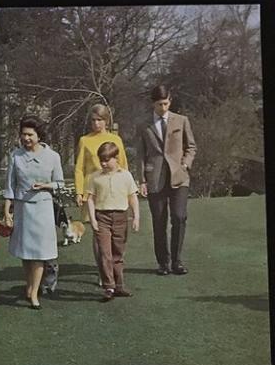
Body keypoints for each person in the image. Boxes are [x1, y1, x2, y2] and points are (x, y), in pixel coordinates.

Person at [3, 116, 65, 310]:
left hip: (43, 208)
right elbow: (9, 186)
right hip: (23, 209)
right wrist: (7, 211)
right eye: (23, 134)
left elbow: (60, 184)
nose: (26, 138)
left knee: (39, 253)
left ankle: (34, 292)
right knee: (26, 253)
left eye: (30, 134)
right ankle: (30, 286)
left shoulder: (53, 157)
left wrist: (46, 185)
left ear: (39, 135)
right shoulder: (16, 156)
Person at [136, 85, 197, 275]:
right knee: (159, 221)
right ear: (152, 104)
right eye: (159, 104)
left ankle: (177, 262)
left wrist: (185, 164)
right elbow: (140, 155)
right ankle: (163, 263)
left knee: (179, 217)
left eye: (165, 103)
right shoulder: (143, 125)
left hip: (179, 177)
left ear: (170, 100)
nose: (163, 108)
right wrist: (141, 180)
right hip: (155, 178)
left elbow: (191, 146)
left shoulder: (181, 120)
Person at [73, 104, 129, 287]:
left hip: (113, 190)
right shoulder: (84, 140)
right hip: (93, 190)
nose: (96, 123)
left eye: (100, 120)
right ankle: (103, 271)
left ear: (106, 121)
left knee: (115, 234)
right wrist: (79, 191)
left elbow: (123, 166)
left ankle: (114, 268)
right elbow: (79, 168)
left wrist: (127, 191)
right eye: (93, 120)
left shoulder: (115, 140)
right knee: (99, 233)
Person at [86, 142, 141, 301]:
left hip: (120, 217)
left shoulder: (126, 175)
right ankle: (108, 286)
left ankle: (119, 286)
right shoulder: (95, 177)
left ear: (116, 158)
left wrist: (136, 216)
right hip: (102, 217)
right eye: (101, 160)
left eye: (107, 160)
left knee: (118, 253)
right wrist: (93, 219)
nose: (103, 163)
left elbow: (132, 197)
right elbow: (90, 199)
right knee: (105, 253)